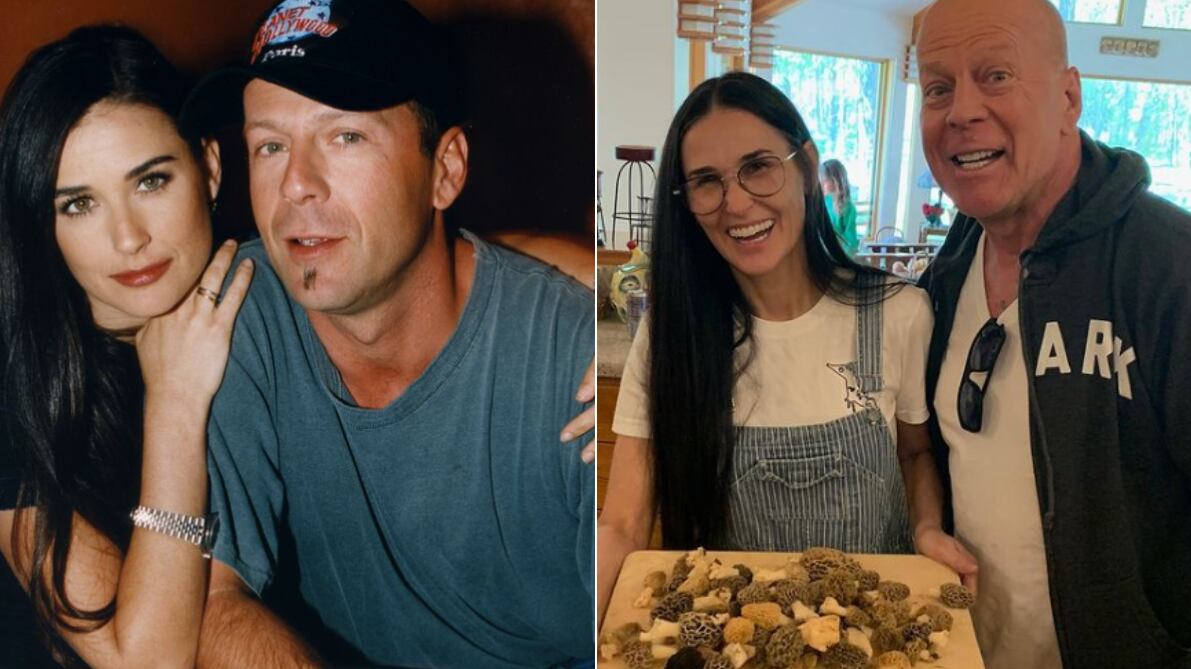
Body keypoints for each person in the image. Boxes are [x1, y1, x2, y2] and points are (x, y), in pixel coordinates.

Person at [179, 0, 595, 666]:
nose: (296, 185)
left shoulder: (573, 358)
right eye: (270, 145)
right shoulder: (237, 312)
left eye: (345, 136)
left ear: (445, 169)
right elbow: (211, 600)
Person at [596, 71, 976, 618]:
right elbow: (622, 523)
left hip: (874, 629)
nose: (736, 203)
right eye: (707, 181)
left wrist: (927, 528)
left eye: (758, 166)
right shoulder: (671, 337)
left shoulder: (899, 312)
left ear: (806, 167)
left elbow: (914, 452)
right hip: (736, 638)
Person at [914, 1, 1191, 667]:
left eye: (996, 75)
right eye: (937, 88)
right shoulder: (945, 276)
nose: (961, 111)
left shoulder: (1167, 265)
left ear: (1068, 97)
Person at [0, 25, 256, 668]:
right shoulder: (13, 382)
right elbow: (147, 662)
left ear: (209, 168)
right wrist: (174, 401)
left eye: (150, 181)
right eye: (78, 204)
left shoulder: (260, 297)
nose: (128, 238)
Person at [821, 158, 859, 256]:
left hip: (838, 257)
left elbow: (851, 243)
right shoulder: (819, 203)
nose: (821, 183)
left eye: (825, 180)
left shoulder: (848, 207)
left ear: (835, 180)